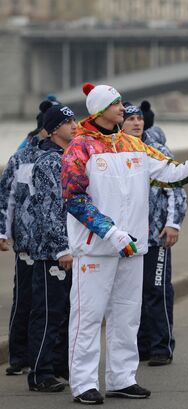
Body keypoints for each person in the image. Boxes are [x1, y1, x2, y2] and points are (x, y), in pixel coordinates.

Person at [62, 83, 188, 404]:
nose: (123, 108)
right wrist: (110, 232)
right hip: (97, 248)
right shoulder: (80, 148)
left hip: (133, 247)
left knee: (127, 315)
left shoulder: (133, 145)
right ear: (99, 109)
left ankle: (122, 378)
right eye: (116, 103)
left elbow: (170, 174)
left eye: (121, 103)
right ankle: (83, 383)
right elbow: (73, 198)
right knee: (88, 316)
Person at [120, 102, 186, 366]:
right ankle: (141, 345)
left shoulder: (157, 151)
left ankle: (161, 346)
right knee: (131, 295)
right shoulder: (116, 150)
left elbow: (176, 189)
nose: (136, 123)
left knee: (155, 290)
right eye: (130, 119)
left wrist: (173, 223)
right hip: (127, 239)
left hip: (156, 237)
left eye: (139, 118)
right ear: (120, 123)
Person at [0, 99, 54, 376]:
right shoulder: (21, 158)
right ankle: (19, 357)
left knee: (48, 306)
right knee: (24, 301)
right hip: (26, 244)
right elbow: (6, 198)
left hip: (52, 246)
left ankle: (44, 358)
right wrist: (3, 231)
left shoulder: (65, 156)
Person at [27, 104, 76, 392]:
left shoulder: (69, 157)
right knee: (48, 312)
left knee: (66, 311)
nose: (74, 126)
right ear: (55, 128)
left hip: (71, 248)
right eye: (69, 122)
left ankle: (59, 366)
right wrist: (61, 249)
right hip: (51, 253)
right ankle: (40, 373)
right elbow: (49, 210)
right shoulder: (48, 162)